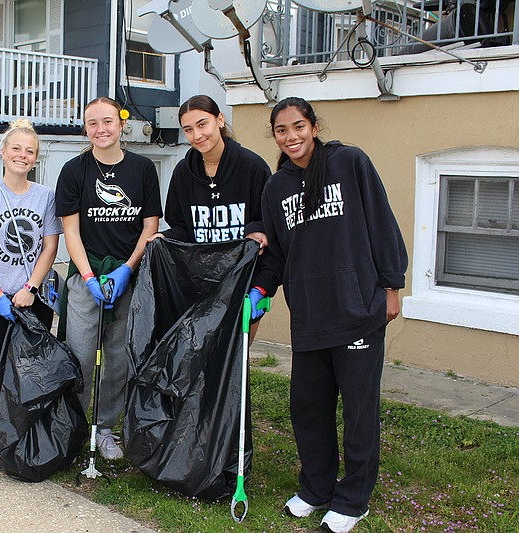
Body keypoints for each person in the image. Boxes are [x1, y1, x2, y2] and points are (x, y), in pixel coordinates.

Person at [251, 97, 408, 533]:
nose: (292, 137)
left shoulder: (349, 162)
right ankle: (317, 488)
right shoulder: (275, 188)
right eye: (282, 130)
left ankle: (354, 499)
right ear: (275, 136)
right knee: (308, 407)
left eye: (298, 126)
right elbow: (278, 254)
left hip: (357, 309)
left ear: (314, 126)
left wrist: (392, 285)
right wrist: (259, 289)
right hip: (310, 315)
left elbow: (381, 221)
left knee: (359, 412)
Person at [55, 97, 162, 460]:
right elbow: (71, 231)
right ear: (85, 128)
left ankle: (104, 429)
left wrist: (126, 269)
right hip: (86, 278)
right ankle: (74, 427)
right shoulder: (74, 170)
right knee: (81, 357)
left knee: (117, 359)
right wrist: (87, 277)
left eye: (107, 121)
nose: (101, 129)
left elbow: (150, 226)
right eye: (92, 123)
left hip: (126, 278)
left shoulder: (143, 168)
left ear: (121, 124)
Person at [0, 119, 62, 432]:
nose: (23, 155)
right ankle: (1, 432)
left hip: (35, 298)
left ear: (36, 159)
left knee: (33, 368)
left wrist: (30, 288)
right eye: (17, 148)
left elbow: (49, 247)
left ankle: (33, 431)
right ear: (4, 153)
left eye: (30, 151)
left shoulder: (46, 197)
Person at [150, 94, 272, 337]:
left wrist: (258, 230)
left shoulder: (252, 168)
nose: (197, 135)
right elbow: (182, 227)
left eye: (202, 124)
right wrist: (163, 238)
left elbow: (270, 224)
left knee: (233, 360)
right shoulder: (183, 173)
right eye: (188, 129)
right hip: (199, 284)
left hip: (242, 283)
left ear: (220, 120)